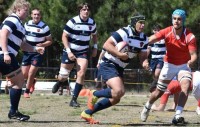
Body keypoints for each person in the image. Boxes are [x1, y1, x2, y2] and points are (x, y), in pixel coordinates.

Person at [80, 13, 149, 124]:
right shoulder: (124, 32)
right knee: (118, 91)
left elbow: (143, 56)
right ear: (133, 23)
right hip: (108, 63)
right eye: (140, 23)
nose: (142, 25)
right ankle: (95, 94)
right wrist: (120, 54)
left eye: (143, 23)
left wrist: (145, 62)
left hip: (120, 67)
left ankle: (87, 112)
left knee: (116, 97)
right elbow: (107, 45)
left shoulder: (144, 39)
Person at [140, 9, 198, 125]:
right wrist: (139, 43)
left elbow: (194, 55)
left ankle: (177, 115)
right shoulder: (167, 31)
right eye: (174, 18)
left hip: (183, 65)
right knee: (159, 92)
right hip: (169, 65)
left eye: (179, 19)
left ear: (183, 20)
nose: (176, 21)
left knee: (185, 87)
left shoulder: (190, 36)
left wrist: (191, 62)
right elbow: (151, 39)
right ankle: (147, 107)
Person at [0, 0, 44, 121]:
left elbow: (23, 45)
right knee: (19, 81)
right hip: (3, 55)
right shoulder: (13, 19)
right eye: (26, 10)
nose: (27, 12)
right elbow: (2, 34)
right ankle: (13, 112)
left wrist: (35, 49)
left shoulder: (19, 24)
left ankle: (13, 112)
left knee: (18, 81)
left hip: (4, 54)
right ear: (17, 9)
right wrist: (5, 53)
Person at [51, 3, 98, 107]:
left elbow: (94, 35)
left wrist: (95, 47)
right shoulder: (72, 21)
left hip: (83, 51)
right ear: (80, 11)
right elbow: (64, 36)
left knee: (81, 73)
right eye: (84, 9)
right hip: (70, 50)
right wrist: (69, 51)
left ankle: (74, 99)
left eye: (88, 10)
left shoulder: (92, 23)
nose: (86, 11)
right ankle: (60, 82)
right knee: (63, 75)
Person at [22, 8, 52, 98]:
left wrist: (42, 44)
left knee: (31, 72)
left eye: (38, 14)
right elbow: (22, 36)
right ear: (31, 15)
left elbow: (50, 41)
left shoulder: (44, 27)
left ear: (40, 16)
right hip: (27, 51)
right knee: (24, 74)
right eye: (34, 14)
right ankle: (33, 81)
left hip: (38, 52)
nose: (36, 16)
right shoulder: (26, 24)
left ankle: (26, 92)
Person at [147, 24, 166, 92]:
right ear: (153, 31)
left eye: (158, 30)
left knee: (157, 73)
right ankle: (158, 87)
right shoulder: (151, 40)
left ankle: (153, 86)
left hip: (161, 59)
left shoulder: (164, 39)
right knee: (153, 75)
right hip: (153, 59)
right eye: (155, 30)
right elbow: (148, 50)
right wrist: (145, 59)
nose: (156, 31)